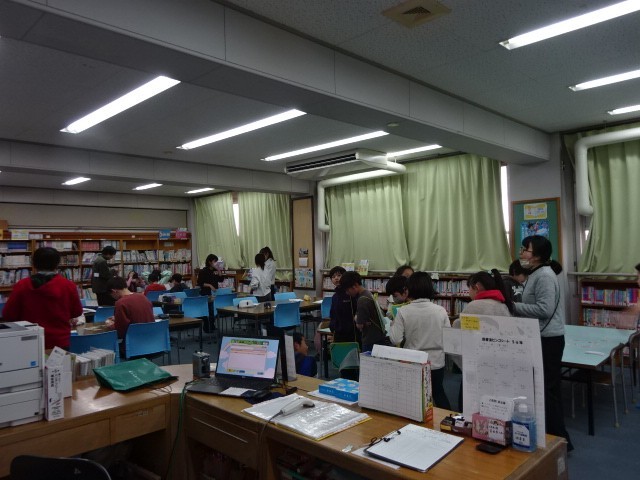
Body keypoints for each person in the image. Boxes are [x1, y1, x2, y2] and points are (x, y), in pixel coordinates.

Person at [512, 235, 574, 451]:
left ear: (537, 255)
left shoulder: (544, 275)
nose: (521, 253)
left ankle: (561, 441)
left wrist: (514, 306)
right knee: (543, 390)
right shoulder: (536, 273)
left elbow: (544, 310)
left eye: (525, 249)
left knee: (548, 391)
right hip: (540, 337)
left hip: (549, 340)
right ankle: (550, 437)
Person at [389, 272, 451, 409]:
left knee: (414, 397)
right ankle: (447, 420)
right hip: (436, 362)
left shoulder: (403, 311)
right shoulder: (440, 310)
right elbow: (449, 339)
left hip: (413, 362)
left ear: (409, 289)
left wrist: (393, 324)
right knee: (438, 393)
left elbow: (395, 339)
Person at [3, 247, 82, 350]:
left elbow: (8, 314)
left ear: (34, 263)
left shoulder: (22, 285)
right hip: (59, 341)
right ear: (57, 264)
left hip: (28, 339)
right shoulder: (68, 285)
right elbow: (77, 311)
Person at [105, 277, 155, 355]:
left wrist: (111, 325)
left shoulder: (120, 303)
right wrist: (118, 318)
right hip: (153, 343)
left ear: (114, 291)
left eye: (111, 295)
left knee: (107, 348)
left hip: (133, 346)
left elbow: (120, 332)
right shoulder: (143, 297)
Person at [341, 271, 387, 352]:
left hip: (370, 339)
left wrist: (356, 318)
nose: (347, 293)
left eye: (347, 290)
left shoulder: (362, 300)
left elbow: (359, 325)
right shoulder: (368, 293)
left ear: (355, 286)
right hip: (379, 336)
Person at [328, 266, 359, 343]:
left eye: (339, 275)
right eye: (333, 277)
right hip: (338, 332)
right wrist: (332, 327)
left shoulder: (351, 293)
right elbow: (333, 314)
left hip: (352, 332)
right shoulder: (335, 296)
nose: (336, 278)